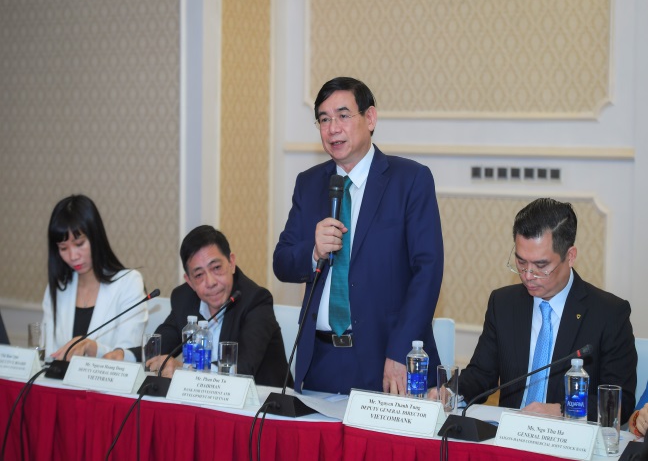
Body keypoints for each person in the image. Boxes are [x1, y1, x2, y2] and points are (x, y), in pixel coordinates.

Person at [273, 77, 444, 395]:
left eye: (343, 115)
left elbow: (428, 272)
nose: (333, 129)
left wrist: (401, 351)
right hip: (320, 360)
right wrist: (314, 252)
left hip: (387, 359)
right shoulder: (309, 184)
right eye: (324, 119)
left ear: (370, 118)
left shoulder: (410, 180)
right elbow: (282, 262)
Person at [430, 198, 636, 423]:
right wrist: (450, 392)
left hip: (567, 435)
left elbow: (619, 402)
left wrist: (561, 410)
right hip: (508, 433)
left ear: (570, 256)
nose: (528, 275)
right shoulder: (503, 303)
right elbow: (482, 373)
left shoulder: (608, 314)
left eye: (541, 266)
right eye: (521, 262)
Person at [106, 225, 290, 388]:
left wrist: (185, 371)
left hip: (265, 405)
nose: (210, 282)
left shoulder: (256, 301)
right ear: (189, 281)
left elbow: (242, 369)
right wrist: (124, 356)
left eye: (216, 268)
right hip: (205, 404)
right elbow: (161, 344)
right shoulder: (184, 299)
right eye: (199, 275)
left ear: (232, 263)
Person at [42, 194, 148, 359]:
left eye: (79, 244)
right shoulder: (58, 288)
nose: (73, 256)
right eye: (63, 248)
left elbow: (128, 357)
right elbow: (48, 355)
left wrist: (93, 348)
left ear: (95, 237)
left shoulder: (129, 283)